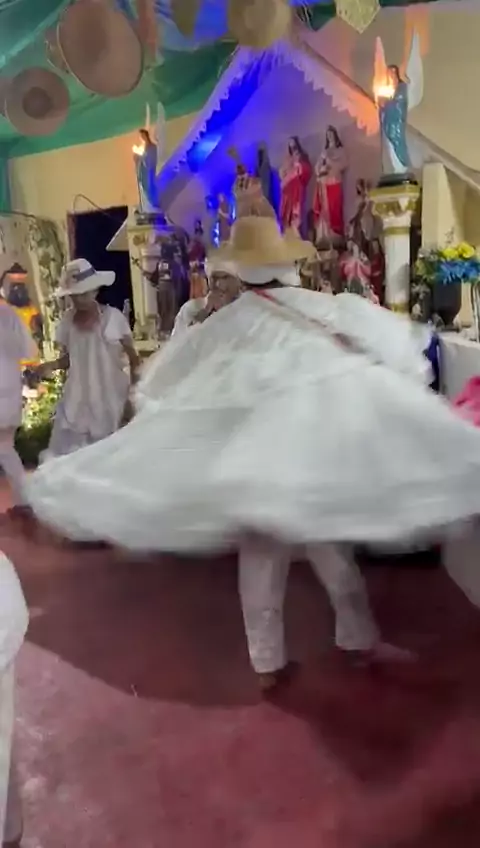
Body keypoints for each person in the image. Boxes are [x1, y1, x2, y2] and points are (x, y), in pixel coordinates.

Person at [25, 217, 480, 691]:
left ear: (242, 271)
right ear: (284, 264)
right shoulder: (320, 306)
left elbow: (168, 374)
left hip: (256, 468)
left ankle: (269, 664)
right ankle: (356, 638)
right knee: (333, 554)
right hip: (311, 462)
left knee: (263, 562)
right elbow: (397, 341)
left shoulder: (228, 322)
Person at [36, 259, 140, 459]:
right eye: (74, 295)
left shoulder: (112, 318)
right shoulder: (68, 321)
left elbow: (134, 359)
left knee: (111, 456)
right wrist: (51, 365)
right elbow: (71, 358)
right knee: (73, 456)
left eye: (83, 294)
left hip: (109, 397)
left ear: (95, 291)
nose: (79, 300)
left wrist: (133, 396)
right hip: (77, 399)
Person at [0, 297, 37, 515]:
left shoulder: (8, 315)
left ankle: (25, 499)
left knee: (4, 447)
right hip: (9, 389)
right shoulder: (10, 315)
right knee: (5, 448)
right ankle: (24, 499)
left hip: (5, 391)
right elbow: (28, 350)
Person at [171, 261, 241, 338]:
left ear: (238, 281)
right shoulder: (190, 309)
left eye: (225, 278)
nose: (218, 284)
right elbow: (177, 342)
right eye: (214, 278)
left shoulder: (246, 309)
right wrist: (205, 313)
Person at [313, 126, 347, 243]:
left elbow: (343, 164)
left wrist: (330, 162)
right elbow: (317, 168)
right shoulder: (324, 151)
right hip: (323, 182)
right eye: (328, 135)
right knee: (324, 208)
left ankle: (335, 234)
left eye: (331, 134)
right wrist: (321, 169)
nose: (330, 137)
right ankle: (323, 235)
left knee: (334, 207)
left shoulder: (340, 150)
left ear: (335, 135)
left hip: (334, 181)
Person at [279, 136, 312, 234]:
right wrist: (285, 173)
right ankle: (288, 232)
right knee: (287, 211)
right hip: (287, 189)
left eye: (293, 145)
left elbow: (307, 170)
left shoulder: (302, 156)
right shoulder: (287, 158)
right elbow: (282, 172)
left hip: (297, 187)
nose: (292, 147)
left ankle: (298, 233)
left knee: (297, 210)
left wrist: (298, 165)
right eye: (290, 145)